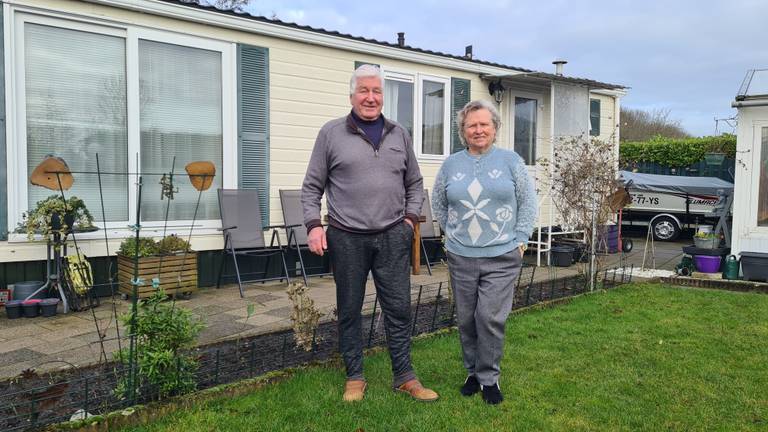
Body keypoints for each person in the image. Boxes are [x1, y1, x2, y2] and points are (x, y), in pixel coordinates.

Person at [301, 64, 438, 403]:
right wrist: (314, 226)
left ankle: (405, 376)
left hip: (393, 234)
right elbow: (311, 187)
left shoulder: (398, 134)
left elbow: (415, 182)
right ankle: (354, 377)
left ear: (382, 95)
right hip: (347, 236)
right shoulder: (331, 134)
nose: (371, 97)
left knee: (399, 308)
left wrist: (409, 221)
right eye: (364, 90)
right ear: (352, 95)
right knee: (349, 308)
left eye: (377, 91)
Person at [432, 99, 537, 404]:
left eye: (483, 124)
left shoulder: (511, 161)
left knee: (489, 317)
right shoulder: (451, 164)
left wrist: (520, 240)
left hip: (503, 254)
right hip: (461, 254)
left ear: (494, 128)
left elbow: (527, 202)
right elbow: (439, 201)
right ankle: (472, 374)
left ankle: (489, 377)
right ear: (463, 131)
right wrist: (451, 234)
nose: (478, 130)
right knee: (466, 318)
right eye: (471, 125)